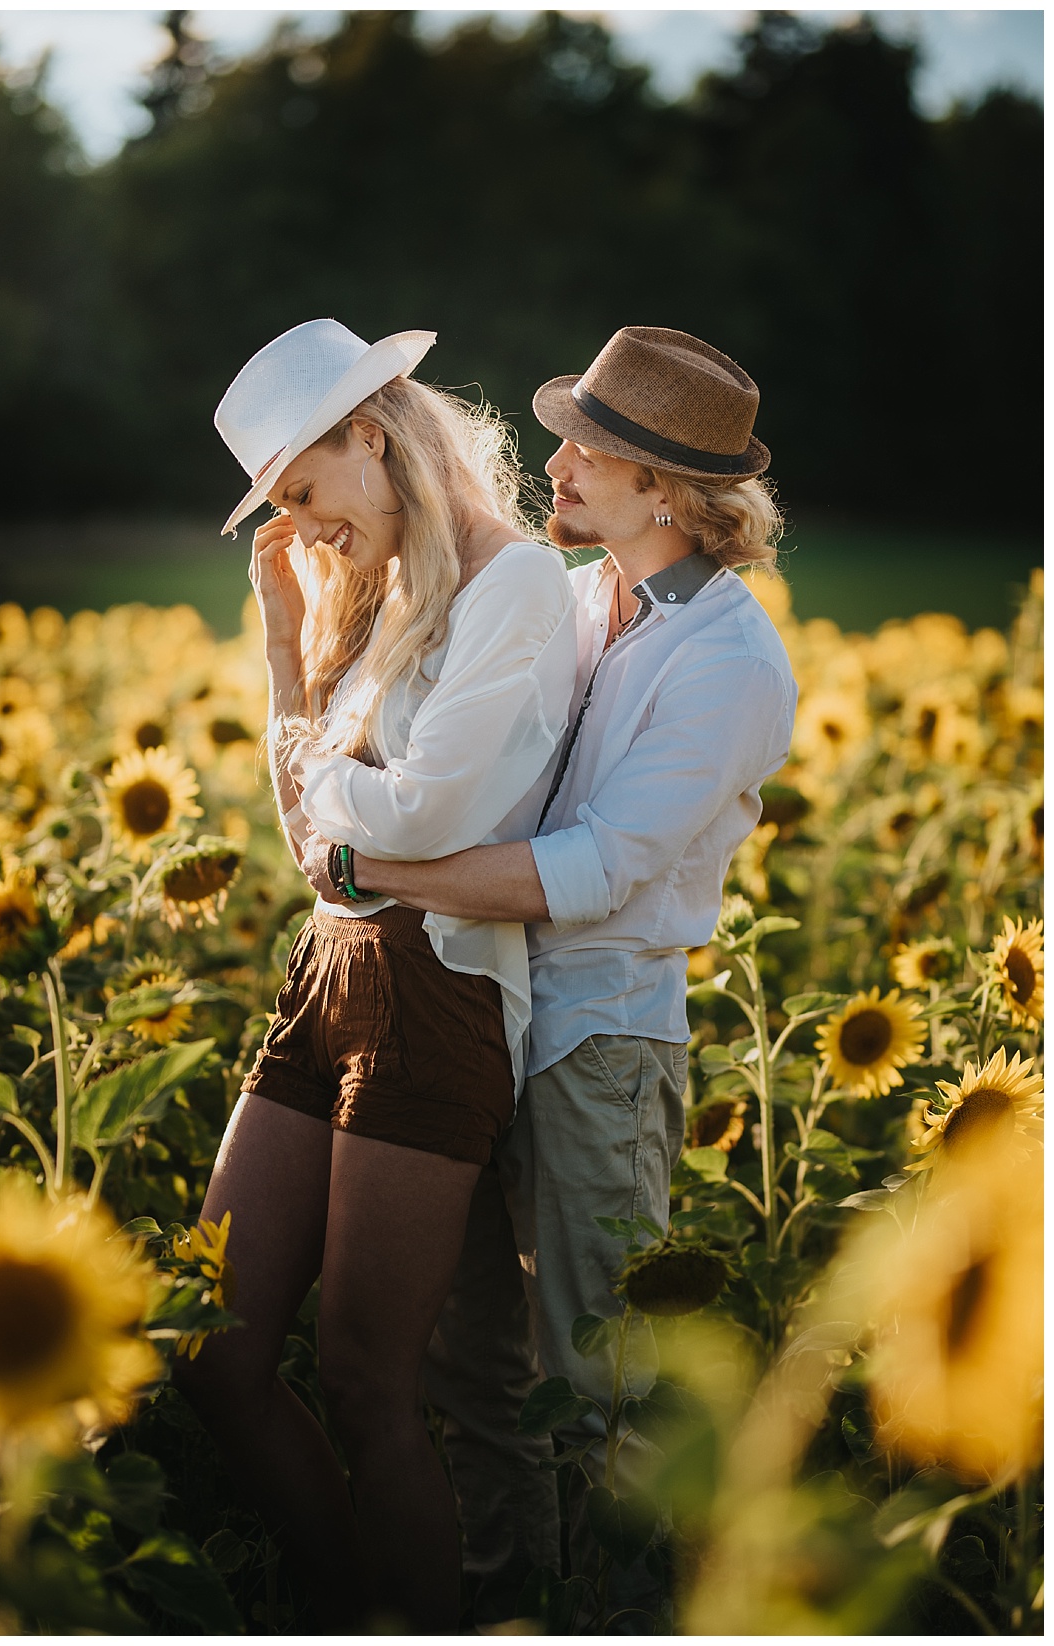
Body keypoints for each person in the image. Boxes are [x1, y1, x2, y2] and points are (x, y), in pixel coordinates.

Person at [330, 327, 797, 1622]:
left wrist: (377, 868)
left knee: (605, 1380)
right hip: (495, 1009)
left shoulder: (732, 663)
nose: (561, 461)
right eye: (568, 433)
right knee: (473, 1362)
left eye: (600, 450)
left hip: (601, 1035)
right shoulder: (590, 601)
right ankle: (509, 1603)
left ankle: (628, 1615)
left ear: (675, 495)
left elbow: (589, 867)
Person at [170, 319, 579, 1629]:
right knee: (215, 1347)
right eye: (276, 504)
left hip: (437, 986)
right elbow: (316, 845)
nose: (295, 526)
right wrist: (288, 653)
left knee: (363, 1376)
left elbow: (422, 813)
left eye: (301, 489)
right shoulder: (389, 594)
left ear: (373, 432)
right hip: (325, 972)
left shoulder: (512, 585)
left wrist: (346, 806)